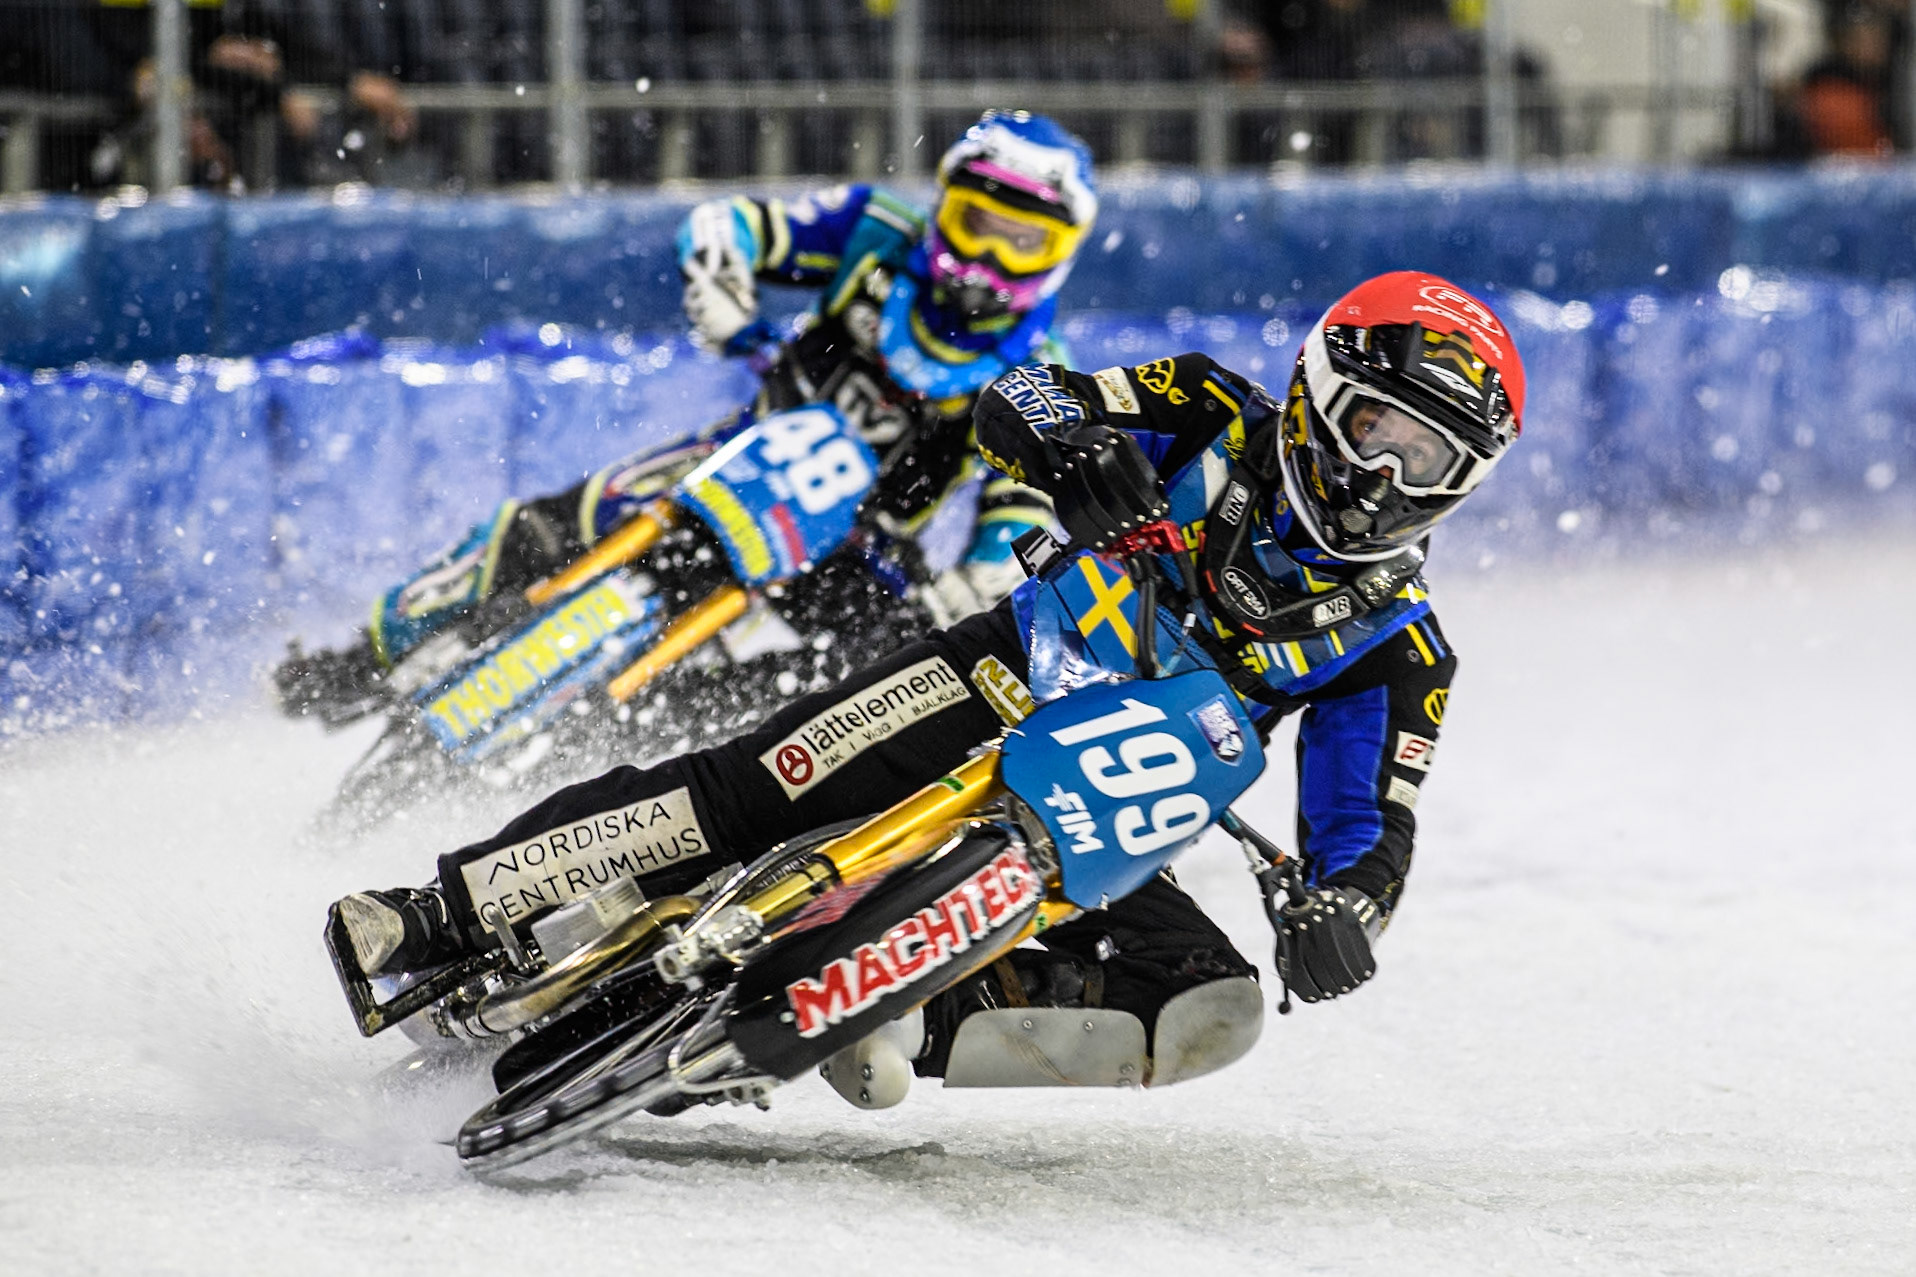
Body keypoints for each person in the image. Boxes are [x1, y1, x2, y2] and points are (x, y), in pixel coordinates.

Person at [332, 270, 1525, 1092]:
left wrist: (1343, 915)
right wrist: (1072, 443)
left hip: (1111, 806)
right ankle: (441, 910)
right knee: (751, 787)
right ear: (1319, 391)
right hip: (996, 673)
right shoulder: (1209, 405)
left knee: (1203, 1004)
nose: (1386, 476)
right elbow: (1027, 393)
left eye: (1430, 460)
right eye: (1378, 429)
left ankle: (901, 1011)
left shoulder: (1402, 644)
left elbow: (1368, 829)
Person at [276, 109, 1092, 727]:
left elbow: (1020, 504)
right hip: (731, 460)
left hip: (857, 546)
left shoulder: (1039, 372)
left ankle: (660, 766)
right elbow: (731, 224)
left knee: (860, 687)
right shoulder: (875, 232)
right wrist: (721, 282)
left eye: (1022, 240)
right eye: (978, 223)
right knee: (539, 528)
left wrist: (977, 578)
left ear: (1060, 251)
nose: (989, 256)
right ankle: (365, 658)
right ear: (946, 203)